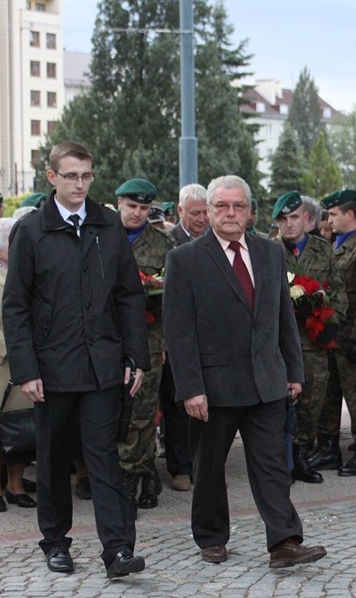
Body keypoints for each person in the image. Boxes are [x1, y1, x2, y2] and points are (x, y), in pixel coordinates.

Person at [3, 141, 150, 578]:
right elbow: (16, 306)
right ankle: (55, 542)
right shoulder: (31, 231)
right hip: (51, 370)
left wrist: (135, 356)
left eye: (86, 175)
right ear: (51, 178)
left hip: (103, 366)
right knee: (51, 458)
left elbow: (128, 296)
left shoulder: (108, 225)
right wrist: (26, 369)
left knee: (105, 457)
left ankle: (119, 550)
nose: (80, 184)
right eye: (70, 176)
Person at [163, 175, 326, 568]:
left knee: (272, 465)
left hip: (267, 381)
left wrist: (293, 369)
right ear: (209, 211)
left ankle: (284, 542)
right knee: (208, 468)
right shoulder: (185, 259)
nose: (231, 213)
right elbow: (178, 330)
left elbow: (282, 315)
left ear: (250, 212)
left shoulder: (269, 253)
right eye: (222, 206)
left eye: (238, 206)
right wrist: (190, 388)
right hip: (213, 387)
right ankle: (212, 536)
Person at [308, 189, 356, 477]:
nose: (329, 220)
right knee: (329, 393)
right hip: (334, 334)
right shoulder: (338, 244)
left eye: (333, 214)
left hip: (355, 335)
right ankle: (328, 449)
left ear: (349, 215)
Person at [272, 191, 347, 484]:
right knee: (278, 402)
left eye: (294, 218)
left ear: (306, 218)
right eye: (282, 219)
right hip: (279, 343)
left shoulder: (323, 249)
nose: (289, 225)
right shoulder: (269, 250)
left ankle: (301, 454)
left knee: (312, 400)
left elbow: (338, 290)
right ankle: (280, 461)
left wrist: (331, 322)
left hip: (313, 341)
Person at [115, 178, 175, 510]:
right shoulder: (101, 237)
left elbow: (175, 299)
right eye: (132, 206)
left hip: (149, 340)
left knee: (142, 410)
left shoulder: (163, 245)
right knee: (113, 411)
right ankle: (141, 468)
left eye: (143, 208)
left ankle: (135, 474)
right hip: (107, 340)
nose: (137, 213)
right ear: (119, 203)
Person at [0, 218, 36, 512]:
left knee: (22, 428)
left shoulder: (27, 275)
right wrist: (11, 347)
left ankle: (16, 485)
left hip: (26, 366)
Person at [160, 183, 209, 493]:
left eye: (206, 212)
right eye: (195, 213)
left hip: (211, 338)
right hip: (179, 339)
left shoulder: (217, 242)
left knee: (209, 407)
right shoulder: (167, 245)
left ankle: (205, 466)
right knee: (179, 405)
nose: (202, 218)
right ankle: (180, 467)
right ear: (180, 212)